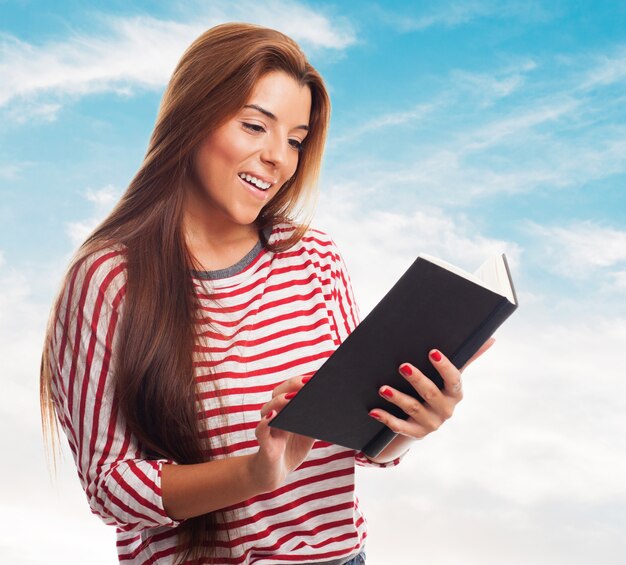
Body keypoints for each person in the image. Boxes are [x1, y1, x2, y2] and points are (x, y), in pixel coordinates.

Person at [40, 23, 493, 565]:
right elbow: (110, 486)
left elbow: (355, 446)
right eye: (256, 126)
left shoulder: (314, 257)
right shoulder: (109, 279)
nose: (279, 157)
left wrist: (410, 424)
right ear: (192, 119)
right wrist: (254, 473)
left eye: (296, 140)